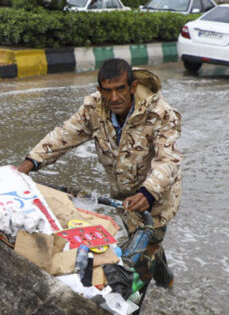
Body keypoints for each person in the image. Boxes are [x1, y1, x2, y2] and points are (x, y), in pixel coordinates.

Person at [16, 58, 182, 286]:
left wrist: (148, 192)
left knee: (141, 256)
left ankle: (134, 312)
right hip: (123, 195)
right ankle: (165, 275)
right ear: (100, 90)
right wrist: (28, 165)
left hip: (156, 196)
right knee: (144, 242)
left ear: (132, 87)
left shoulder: (160, 114)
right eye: (108, 91)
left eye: (120, 89)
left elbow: (168, 160)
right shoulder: (94, 109)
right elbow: (64, 135)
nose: (114, 98)